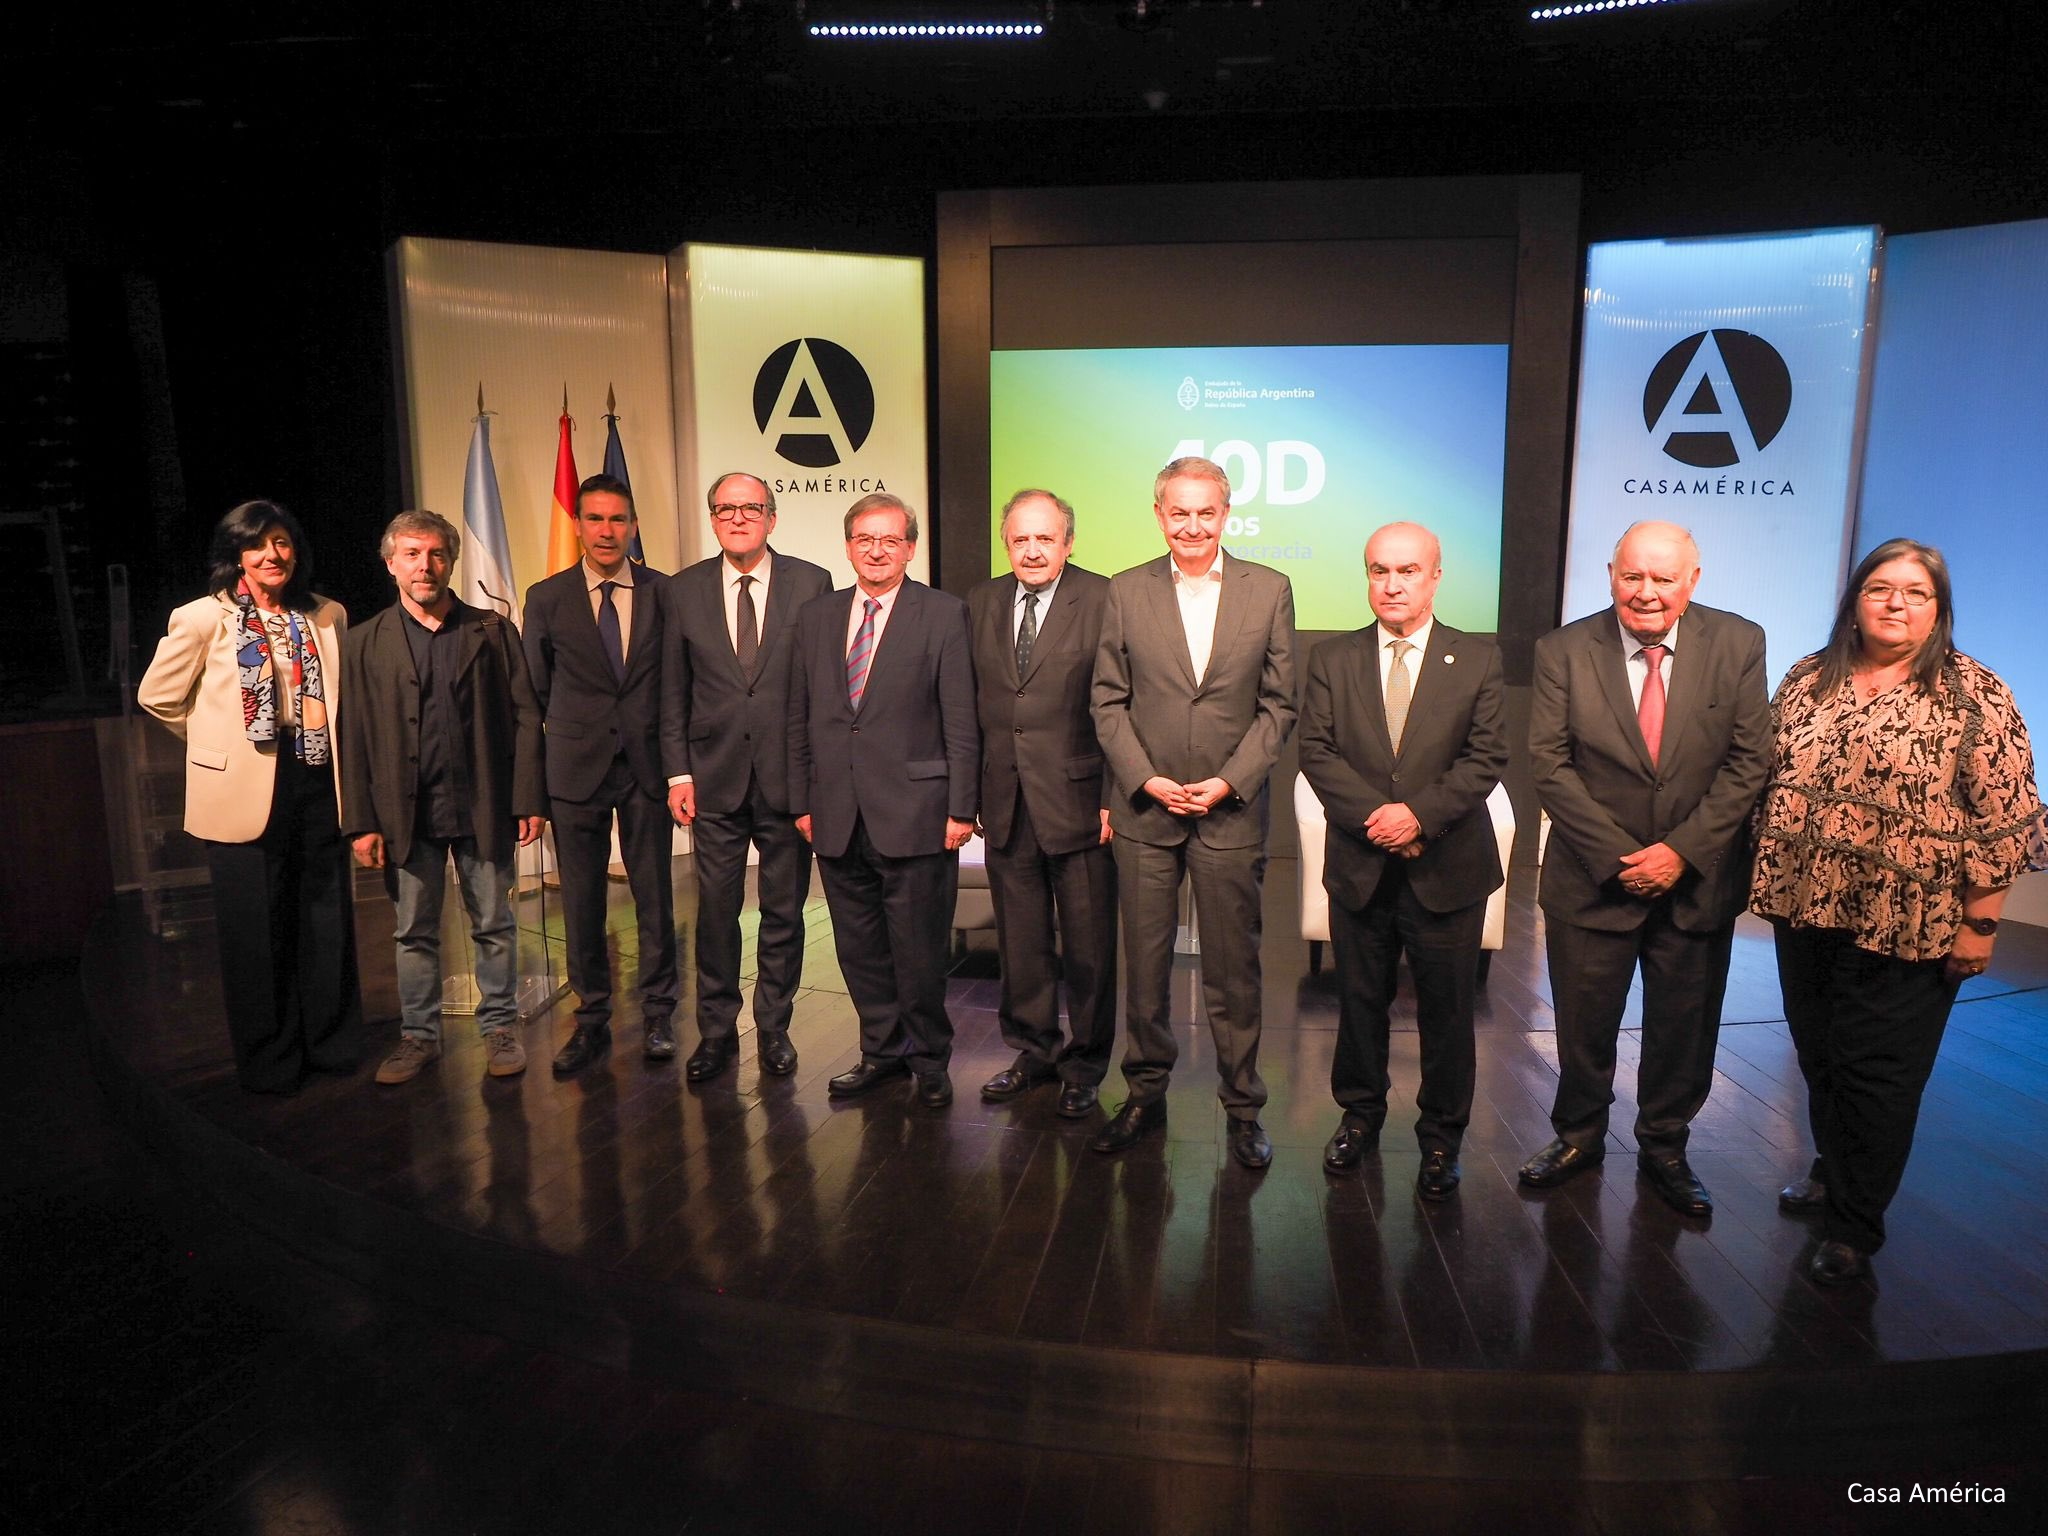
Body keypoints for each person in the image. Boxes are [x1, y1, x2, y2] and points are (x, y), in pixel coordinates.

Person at [1752, 538, 2045, 1284]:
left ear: (1939, 611)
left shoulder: (1976, 694)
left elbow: (2006, 821)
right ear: (1854, 598)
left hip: (1911, 919)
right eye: (1881, 587)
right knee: (1820, 1056)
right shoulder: (1805, 679)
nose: (1896, 603)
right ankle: (1832, 1167)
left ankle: (1855, 1224)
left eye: (1916, 593)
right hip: (1804, 904)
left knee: (1877, 1074)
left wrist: (1982, 926)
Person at [1518, 520, 1771, 1216]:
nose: (1647, 592)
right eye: (1633, 576)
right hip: (1592, 879)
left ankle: (1665, 1145)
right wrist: (1619, 857)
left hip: (1695, 883)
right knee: (1583, 1024)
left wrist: (1680, 852)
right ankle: (1578, 1136)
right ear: (1610, 574)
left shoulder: (1739, 643)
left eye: (1664, 578)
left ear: (1693, 580)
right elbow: (1549, 764)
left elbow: (1749, 762)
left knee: (1684, 1028)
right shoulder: (1563, 650)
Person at [1090, 456, 1297, 1168]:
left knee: (1234, 970)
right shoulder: (1124, 590)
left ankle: (1243, 1108)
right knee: (1144, 966)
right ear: (1158, 515)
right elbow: (1107, 700)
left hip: (1229, 812)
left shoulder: (1269, 590)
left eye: (1206, 512)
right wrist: (1144, 779)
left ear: (1226, 514)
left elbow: (1278, 706)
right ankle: (1144, 1095)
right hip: (1145, 813)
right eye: (1179, 512)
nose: (1192, 525)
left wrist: (1229, 781)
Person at [1297, 522, 1507, 1200]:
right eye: (1379, 570)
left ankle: (1442, 1139)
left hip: (1448, 869)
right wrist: (1377, 821)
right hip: (1361, 869)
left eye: (1408, 570)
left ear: (1436, 576)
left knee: (1449, 1013)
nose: (1391, 583)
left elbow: (1485, 758)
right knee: (1359, 1005)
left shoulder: (1476, 659)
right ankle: (1358, 1118)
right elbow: (1318, 754)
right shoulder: (1331, 659)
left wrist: (1418, 816)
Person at [137, 499, 360, 1093]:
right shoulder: (203, 618)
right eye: (258, 544)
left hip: (315, 774)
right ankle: (271, 1062)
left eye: (282, 543)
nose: (272, 555)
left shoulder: (326, 614)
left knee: (326, 914)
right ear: (236, 553)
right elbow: (156, 696)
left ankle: (334, 1045)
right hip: (242, 782)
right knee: (255, 928)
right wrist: (216, 741)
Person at [341, 511, 546, 1085]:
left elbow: (527, 715)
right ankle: (418, 1037)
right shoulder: (364, 642)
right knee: (413, 932)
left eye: (434, 554)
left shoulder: (492, 630)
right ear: (390, 564)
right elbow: (351, 734)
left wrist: (529, 798)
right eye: (410, 554)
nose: (424, 565)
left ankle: (500, 1028)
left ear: (451, 562)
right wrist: (361, 821)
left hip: (483, 806)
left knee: (495, 924)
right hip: (405, 815)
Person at [789, 493, 978, 1108]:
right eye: (865, 539)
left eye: (890, 540)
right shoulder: (817, 617)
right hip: (837, 814)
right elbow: (800, 716)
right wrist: (801, 802)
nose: (876, 549)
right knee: (859, 947)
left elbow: (961, 719)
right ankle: (882, 1052)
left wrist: (961, 809)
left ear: (910, 549)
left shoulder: (944, 614)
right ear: (848, 546)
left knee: (919, 949)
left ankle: (928, 1060)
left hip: (919, 813)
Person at [660, 472, 832, 1082]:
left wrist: (818, 780)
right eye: (725, 508)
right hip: (713, 780)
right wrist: (678, 774)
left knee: (784, 911)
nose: (738, 517)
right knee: (716, 911)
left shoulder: (812, 583)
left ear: (772, 518)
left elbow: (821, 690)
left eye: (750, 508)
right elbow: (672, 691)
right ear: (712, 519)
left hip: (788, 782)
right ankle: (715, 1030)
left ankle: (775, 1028)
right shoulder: (682, 591)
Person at [968, 489, 1116, 1116]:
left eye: (1044, 538)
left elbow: (1122, 705)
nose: (1032, 550)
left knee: (1088, 946)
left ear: (1068, 542)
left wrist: (1116, 796)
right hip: (1005, 800)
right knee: (1022, 943)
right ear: (1008, 543)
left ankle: (1084, 1063)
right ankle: (1032, 1050)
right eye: (1020, 539)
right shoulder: (982, 601)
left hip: (1082, 802)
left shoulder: (1107, 599)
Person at [522, 473, 677, 1074]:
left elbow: (675, 686)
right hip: (574, 770)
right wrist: (529, 792)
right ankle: (590, 1021)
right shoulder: (546, 596)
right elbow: (531, 698)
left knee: (655, 896)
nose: (607, 531)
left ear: (633, 526)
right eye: (595, 519)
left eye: (618, 519)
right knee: (582, 903)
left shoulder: (665, 592)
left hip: (647, 768)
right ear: (578, 525)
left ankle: (660, 1012)